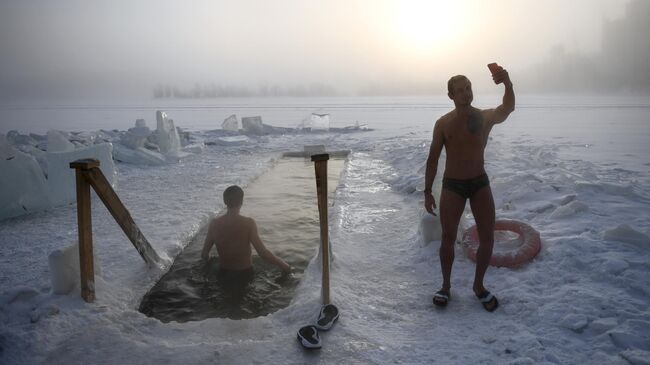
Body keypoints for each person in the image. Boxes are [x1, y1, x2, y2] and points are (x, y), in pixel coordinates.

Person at [423, 65, 515, 312]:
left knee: (487, 238)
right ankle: (445, 286)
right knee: (448, 238)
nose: (466, 93)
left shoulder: (483, 117)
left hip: (479, 183)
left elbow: (507, 108)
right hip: (453, 186)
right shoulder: (443, 124)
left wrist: (507, 83)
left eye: (469, 88)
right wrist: (427, 191)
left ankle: (479, 286)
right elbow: (433, 159)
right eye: (460, 91)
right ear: (451, 96)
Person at [201, 185, 291, 286]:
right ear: (241, 201)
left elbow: (204, 254)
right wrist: (284, 266)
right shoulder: (248, 223)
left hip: (223, 274)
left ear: (225, 202)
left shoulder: (214, 224)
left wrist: (209, 268)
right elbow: (263, 253)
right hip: (245, 275)